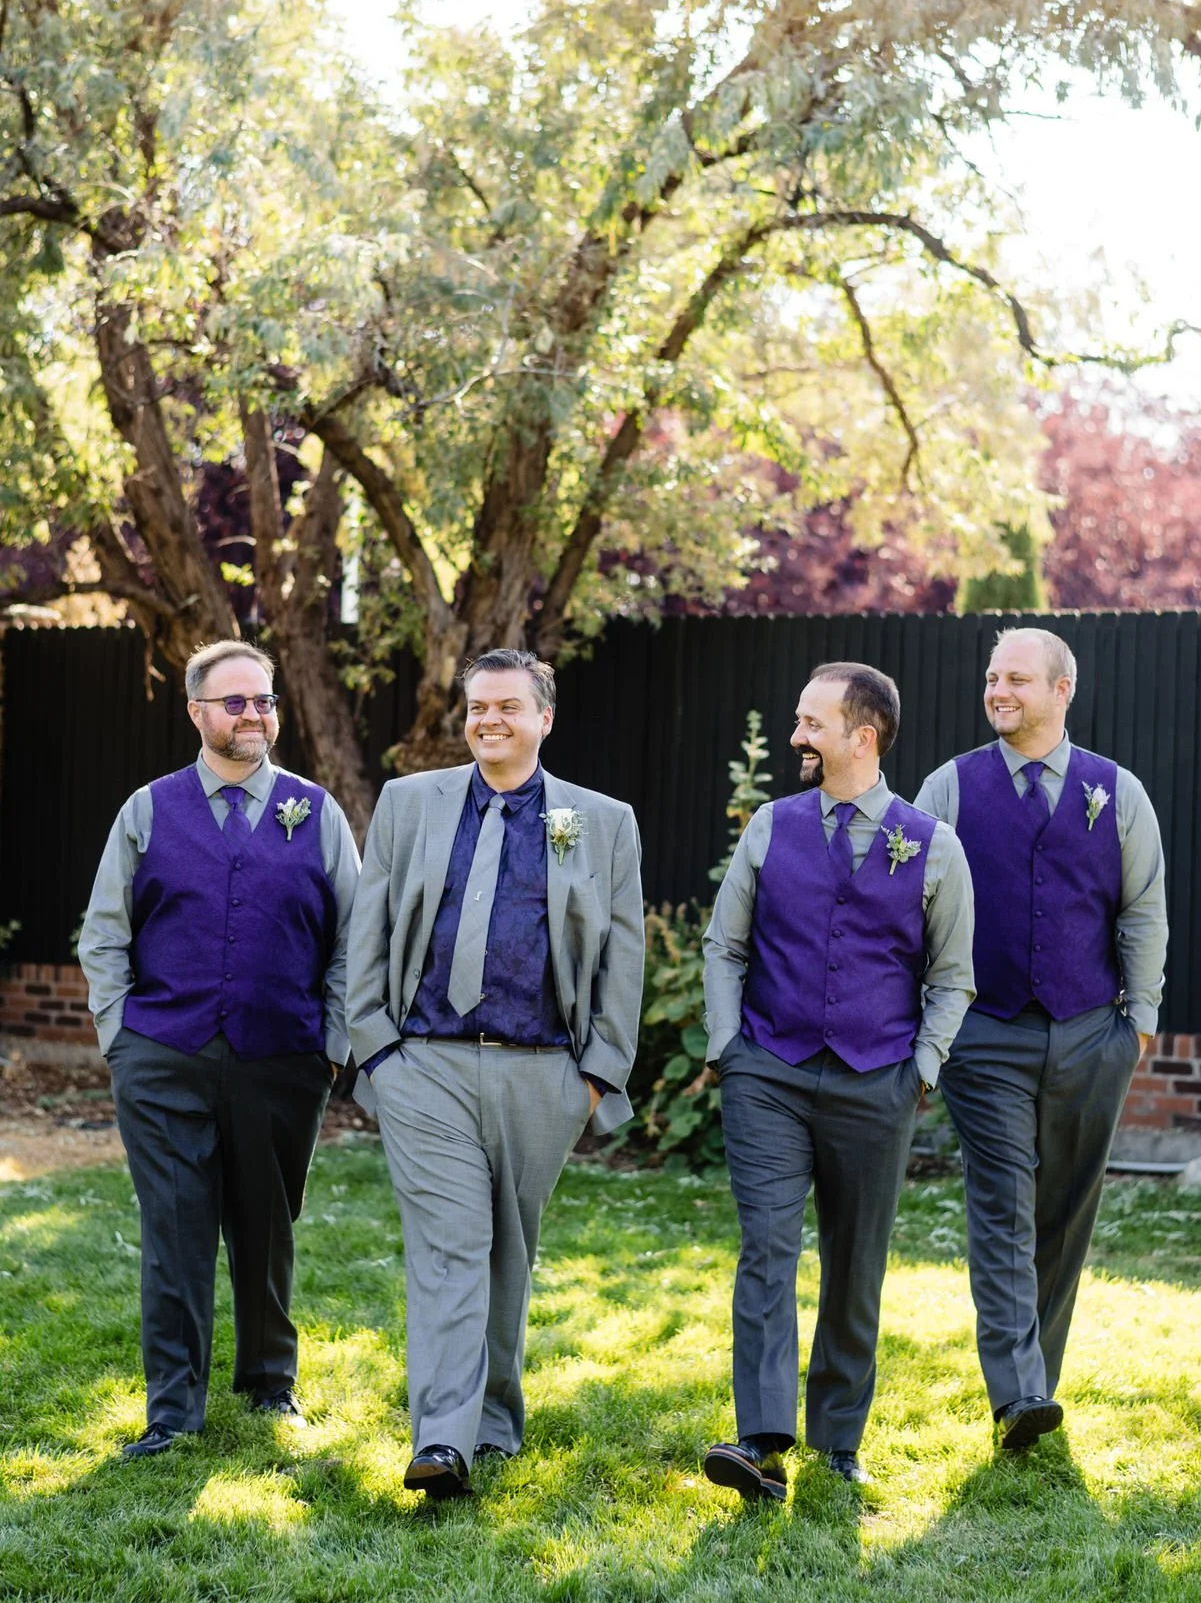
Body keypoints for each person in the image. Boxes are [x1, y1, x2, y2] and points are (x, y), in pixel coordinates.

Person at [346, 648, 644, 1499]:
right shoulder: (409, 803)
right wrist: (377, 1049)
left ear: (544, 719)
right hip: (424, 1064)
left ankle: (495, 1420)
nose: (488, 721)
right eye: (477, 707)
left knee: (508, 1251)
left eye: (508, 707)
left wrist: (594, 1075)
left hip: (543, 1072)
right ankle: (442, 1440)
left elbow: (624, 955)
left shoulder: (601, 820)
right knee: (452, 1248)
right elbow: (367, 928)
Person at [78, 640, 360, 1458]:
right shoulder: (147, 810)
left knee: (267, 1228)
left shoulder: (317, 811)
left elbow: (353, 939)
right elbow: (105, 934)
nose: (252, 715)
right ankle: (172, 1410)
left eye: (263, 701)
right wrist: (119, 1040)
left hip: (283, 1058)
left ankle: (271, 1383)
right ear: (197, 711)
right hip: (164, 1056)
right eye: (234, 701)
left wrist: (331, 1045)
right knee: (175, 1231)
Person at [702, 661, 974, 1501]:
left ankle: (839, 1437)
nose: (795, 737)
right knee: (768, 1251)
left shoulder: (932, 846)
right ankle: (760, 1440)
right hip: (768, 1076)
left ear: (863, 737)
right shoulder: (770, 828)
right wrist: (728, 1049)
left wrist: (918, 1070)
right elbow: (725, 946)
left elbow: (953, 977)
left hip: (875, 1083)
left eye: (811, 724)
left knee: (856, 1263)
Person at [915, 626, 1167, 1450]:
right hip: (984, 1036)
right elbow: (908, 910)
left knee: (1064, 1210)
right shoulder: (947, 789)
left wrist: (1138, 1021)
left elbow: (1140, 911)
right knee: (1003, 1206)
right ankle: (1016, 1392)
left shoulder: (1116, 792)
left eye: (1017, 680)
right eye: (992, 678)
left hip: (1091, 1033)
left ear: (1061, 690)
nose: (998, 692)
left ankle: (1036, 1391)